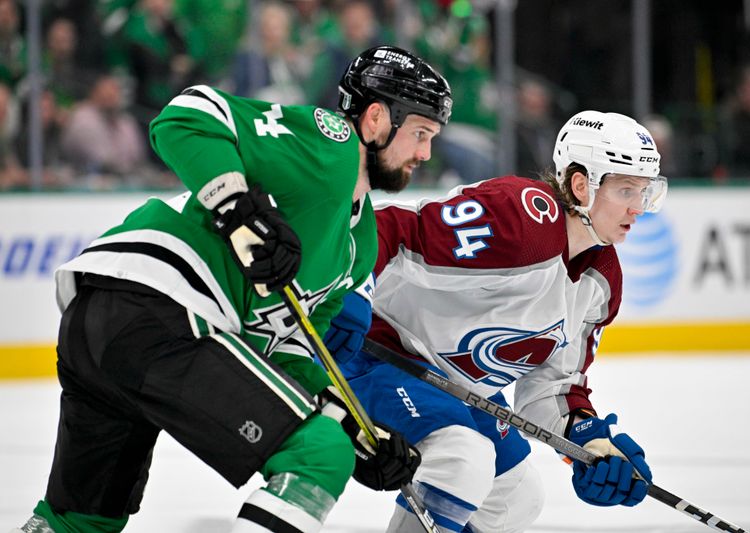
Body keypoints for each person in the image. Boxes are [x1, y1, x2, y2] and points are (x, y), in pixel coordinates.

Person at [14, 45, 452, 533]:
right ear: (375, 119)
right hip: (160, 308)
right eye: (419, 133)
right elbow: (188, 116)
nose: (425, 153)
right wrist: (236, 208)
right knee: (317, 455)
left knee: (80, 520)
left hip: (101, 323)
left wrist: (355, 427)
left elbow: (288, 350)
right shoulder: (330, 145)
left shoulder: (358, 241)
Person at [324, 110, 668, 532]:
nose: (639, 207)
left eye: (646, 192)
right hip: (371, 350)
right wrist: (347, 290)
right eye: (626, 190)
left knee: (516, 498)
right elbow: (392, 230)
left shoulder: (602, 282)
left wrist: (590, 441)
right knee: (462, 458)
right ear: (582, 185)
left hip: (450, 386)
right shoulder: (520, 219)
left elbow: (554, 388)